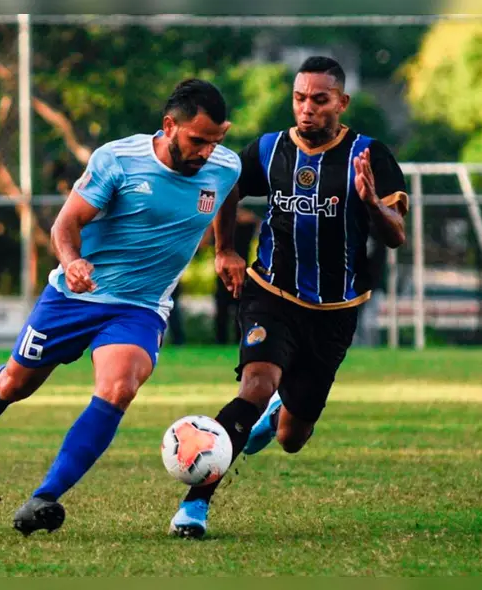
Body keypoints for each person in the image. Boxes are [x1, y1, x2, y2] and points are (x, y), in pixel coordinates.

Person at [0, 79, 241, 536]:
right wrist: (71, 262)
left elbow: (227, 193)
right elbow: (66, 223)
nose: (207, 152)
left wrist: (225, 249)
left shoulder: (225, 166)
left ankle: (45, 497)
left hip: (140, 308)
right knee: (15, 383)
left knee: (119, 388)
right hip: (73, 297)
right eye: (197, 140)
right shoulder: (118, 160)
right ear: (169, 126)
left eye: (215, 141)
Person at [169, 56, 410, 538]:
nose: (307, 108)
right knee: (255, 387)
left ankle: (281, 411)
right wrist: (225, 250)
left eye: (320, 100)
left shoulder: (370, 154)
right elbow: (228, 186)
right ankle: (194, 506)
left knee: (292, 438)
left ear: (341, 103)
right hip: (271, 293)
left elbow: (396, 235)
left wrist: (372, 204)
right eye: (300, 98)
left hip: (334, 311)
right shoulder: (269, 148)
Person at [212, 206, 260, 344]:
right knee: (224, 306)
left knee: (238, 305)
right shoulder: (224, 221)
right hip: (226, 268)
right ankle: (222, 339)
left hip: (241, 268)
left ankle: (237, 337)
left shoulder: (246, 220)